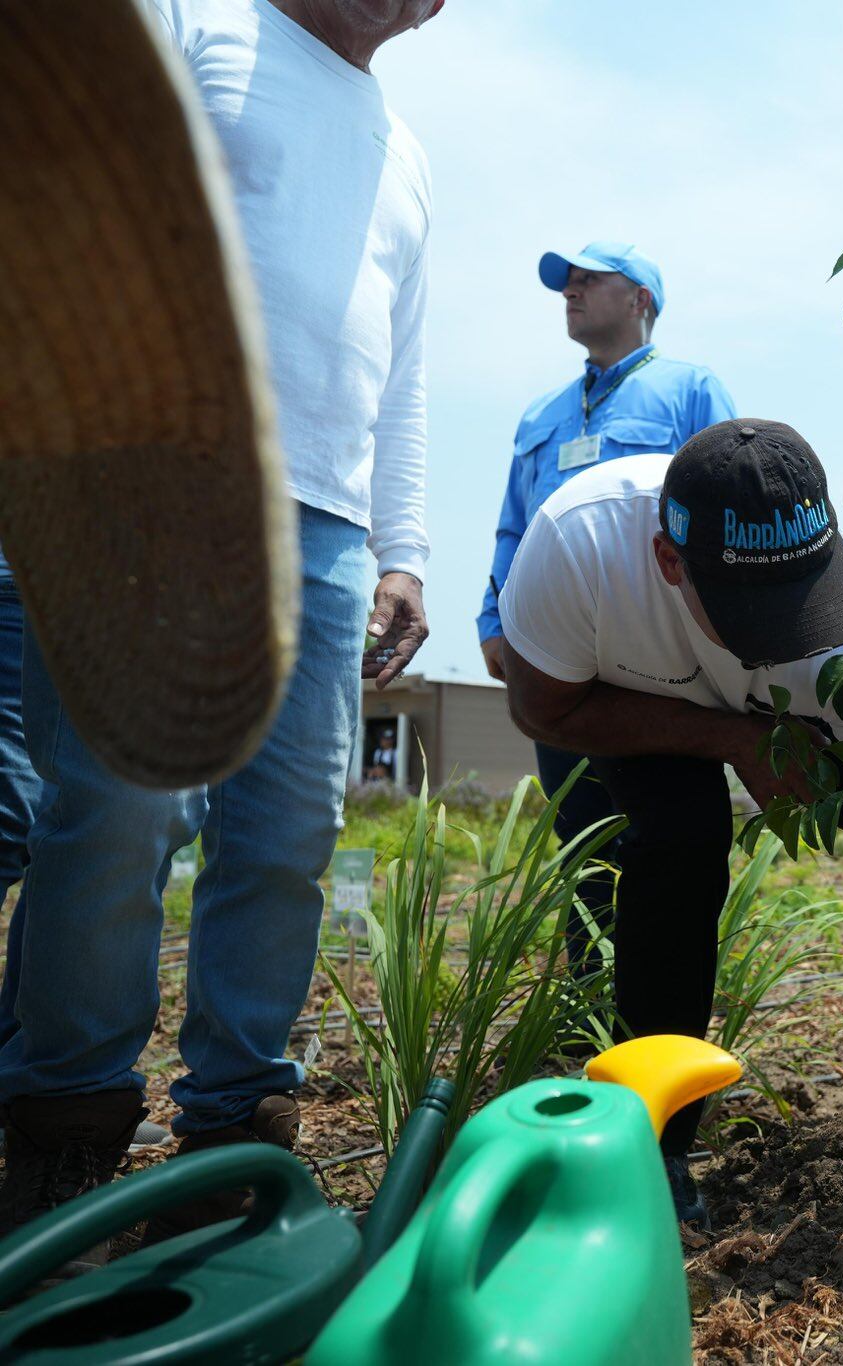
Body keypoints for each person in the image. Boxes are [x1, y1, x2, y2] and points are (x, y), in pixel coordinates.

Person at [0, 0, 439, 1251]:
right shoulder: (200, 22)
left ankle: (236, 1125)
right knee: (117, 804)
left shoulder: (404, 149)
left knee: (289, 827)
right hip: (154, 471)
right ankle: (65, 1129)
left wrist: (400, 549)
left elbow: (402, 367)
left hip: (331, 528)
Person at [496, 420, 843, 1222]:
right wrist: (728, 737)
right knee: (678, 848)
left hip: (798, 723)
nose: (784, 638)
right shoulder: (578, 544)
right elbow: (541, 708)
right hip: (634, 711)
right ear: (668, 562)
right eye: (758, 616)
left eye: (802, 607)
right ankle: (652, 1144)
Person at [478, 240, 735, 974]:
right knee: (582, 841)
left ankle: (660, 1021)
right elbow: (512, 524)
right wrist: (495, 623)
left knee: (668, 834)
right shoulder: (542, 414)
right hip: (558, 656)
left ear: (641, 300)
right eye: (568, 283)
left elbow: (722, 511)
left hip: (657, 659)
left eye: (592, 280)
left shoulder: (690, 388)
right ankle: (589, 1013)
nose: (572, 291)